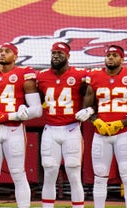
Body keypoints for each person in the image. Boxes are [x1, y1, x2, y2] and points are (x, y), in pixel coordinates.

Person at [0, 42, 43, 208]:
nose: (2, 54)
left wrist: (8, 115)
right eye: (0, 51)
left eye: (7, 51)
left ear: (15, 56)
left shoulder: (23, 74)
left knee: (18, 174)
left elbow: (37, 110)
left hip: (13, 129)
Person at [86, 45, 127, 208]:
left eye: (114, 55)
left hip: (124, 133)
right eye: (108, 55)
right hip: (100, 133)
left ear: (122, 59)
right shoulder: (94, 76)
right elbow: (87, 109)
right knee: (99, 176)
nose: (111, 58)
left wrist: (121, 123)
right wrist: (96, 121)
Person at [36, 42, 89, 208]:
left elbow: (92, 94)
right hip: (50, 129)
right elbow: (35, 101)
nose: (56, 56)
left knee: (74, 174)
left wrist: (89, 109)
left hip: (71, 128)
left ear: (68, 56)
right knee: (49, 172)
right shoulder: (42, 76)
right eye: (53, 53)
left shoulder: (80, 75)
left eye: (60, 53)